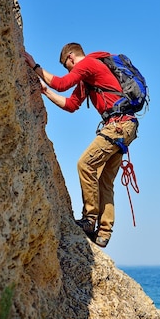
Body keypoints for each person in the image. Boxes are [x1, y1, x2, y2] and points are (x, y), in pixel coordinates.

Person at [23, 43, 138, 248]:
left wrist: (35, 66)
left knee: (85, 164)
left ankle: (89, 219)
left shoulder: (87, 64)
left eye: (69, 68)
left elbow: (61, 84)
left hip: (118, 127)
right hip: (123, 126)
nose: (71, 72)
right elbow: (71, 105)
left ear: (70, 57)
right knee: (104, 181)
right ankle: (103, 234)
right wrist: (45, 92)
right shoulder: (87, 78)